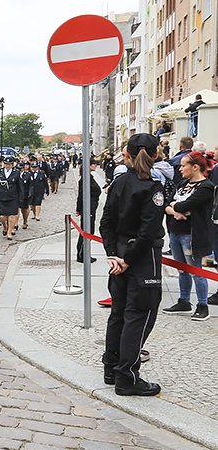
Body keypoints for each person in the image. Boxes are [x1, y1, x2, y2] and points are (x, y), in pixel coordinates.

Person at [99, 133, 165, 397]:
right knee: (139, 315)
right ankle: (126, 376)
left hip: (122, 254)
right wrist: (126, 259)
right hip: (141, 258)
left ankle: (111, 367)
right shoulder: (152, 187)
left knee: (118, 314)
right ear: (155, 155)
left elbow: (106, 222)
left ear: (126, 154)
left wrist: (114, 253)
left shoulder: (119, 183)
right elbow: (148, 231)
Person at [162, 151, 214, 320]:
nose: (180, 169)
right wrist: (175, 210)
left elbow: (188, 204)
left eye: (184, 165)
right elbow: (167, 202)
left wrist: (175, 207)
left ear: (195, 167)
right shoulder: (183, 183)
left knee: (196, 270)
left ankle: (202, 305)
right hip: (175, 231)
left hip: (191, 234)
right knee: (182, 270)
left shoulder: (206, 187)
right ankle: (184, 300)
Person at [75, 159, 101, 263]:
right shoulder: (85, 179)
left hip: (92, 206)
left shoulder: (89, 177)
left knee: (90, 230)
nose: (95, 166)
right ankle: (81, 254)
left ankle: (85, 253)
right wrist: (78, 208)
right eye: (93, 164)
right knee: (86, 231)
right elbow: (81, 195)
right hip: (87, 207)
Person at [0, 156, 21, 240]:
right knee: (2, 216)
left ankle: (10, 231)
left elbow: (20, 186)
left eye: (9, 164)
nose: (7, 166)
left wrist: (21, 197)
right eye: (6, 164)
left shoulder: (16, 172)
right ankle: (5, 226)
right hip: (1, 195)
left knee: (12, 215)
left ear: (12, 164)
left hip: (12, 196)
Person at [18, 161, 33, 230]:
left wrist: (30, 193)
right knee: (16, 209)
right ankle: (15, 224)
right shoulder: (15, 174)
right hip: (16, 194)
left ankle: (25, 221)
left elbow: (31, 185)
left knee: (24, 209)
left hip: (25, 194)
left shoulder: (28, 175)